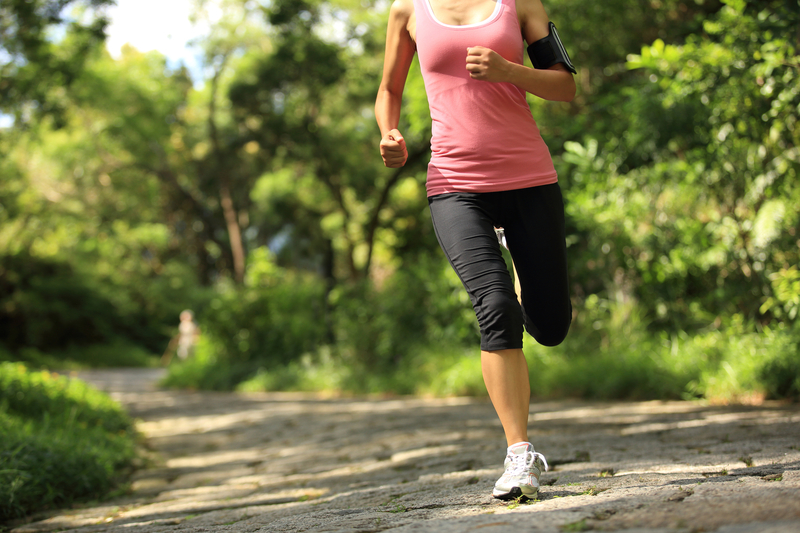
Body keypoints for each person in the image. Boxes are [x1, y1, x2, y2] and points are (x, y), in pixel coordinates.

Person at [375, 0, 575, 500]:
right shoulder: (407, 10)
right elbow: (388, 90)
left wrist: (510, 70)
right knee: (496, 307)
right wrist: (389, 133)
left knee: (550, 327)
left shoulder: (520, 4)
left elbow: (565, 85)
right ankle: (519, 456)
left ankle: (525, 269)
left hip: (528, 177)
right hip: (454, 183)